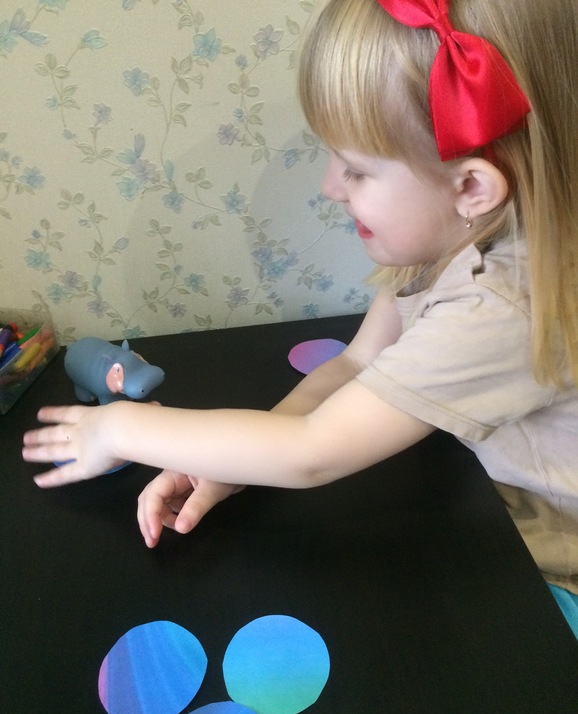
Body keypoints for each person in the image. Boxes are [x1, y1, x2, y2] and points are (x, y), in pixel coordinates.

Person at [22, 0, 578, 616]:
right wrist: (231, 464)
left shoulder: (500, 304)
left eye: (356, 170)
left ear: (471, 186)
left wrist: (119, 429)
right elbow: (355, 364)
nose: (329, 186)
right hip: (481, 490)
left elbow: (313, 451)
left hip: (548, 554)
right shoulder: (453, 235)